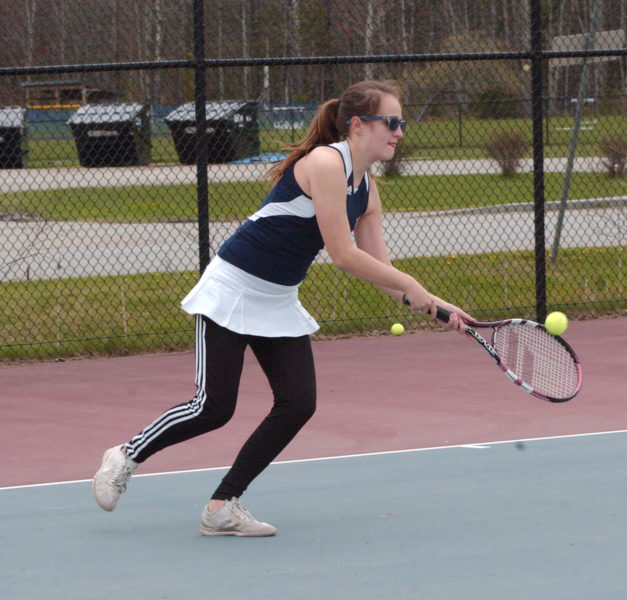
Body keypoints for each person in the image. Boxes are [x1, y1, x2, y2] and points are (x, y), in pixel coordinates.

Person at [92, 80, 472, 537]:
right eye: (391, 122)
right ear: (357, 125)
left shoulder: (367, 190)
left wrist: (438, 306)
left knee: (297, 404)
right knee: (213, 407)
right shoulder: (326, 162)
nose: (399, 132)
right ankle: (126, 455)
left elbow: (382, 271)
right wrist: (412, 286)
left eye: (402, 123)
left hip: (277, 298)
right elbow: (344, 255)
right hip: (233, 287)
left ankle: (222, 506)